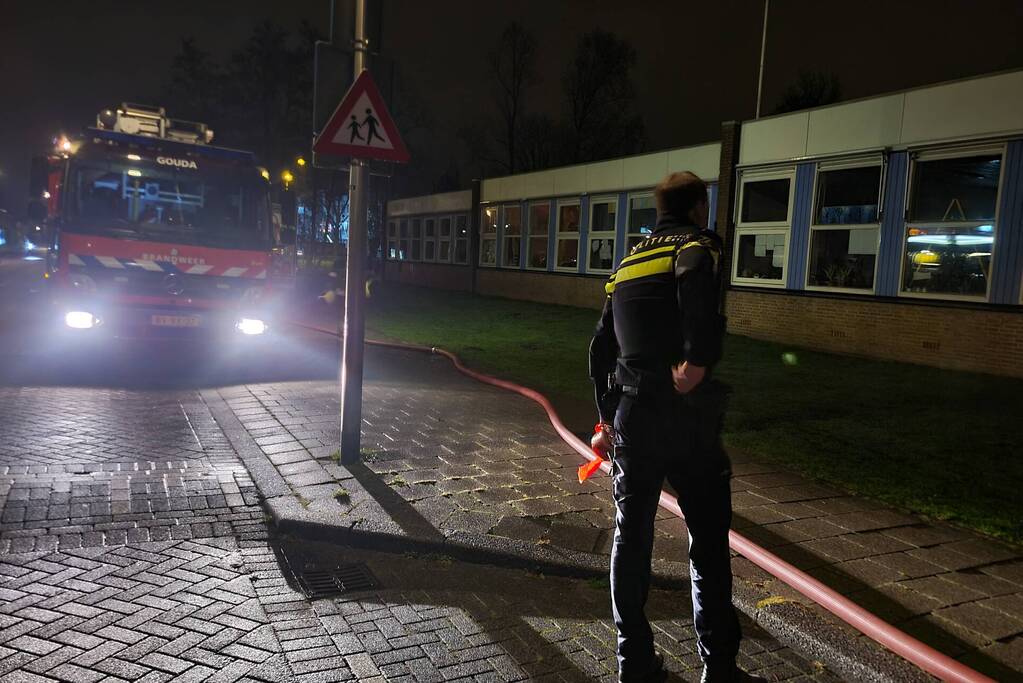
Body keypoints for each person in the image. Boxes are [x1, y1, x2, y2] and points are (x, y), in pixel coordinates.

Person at [589, 171, 760, 683]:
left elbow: (600, 347)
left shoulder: (629, 260)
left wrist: (604, 417)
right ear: (700, 206)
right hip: (686, 420)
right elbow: (700, 308)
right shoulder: (696, 246)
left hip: (633, 417)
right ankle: (719, 667)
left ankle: (634, 663)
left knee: (631, 538)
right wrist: (697, 364)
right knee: (707, 539)